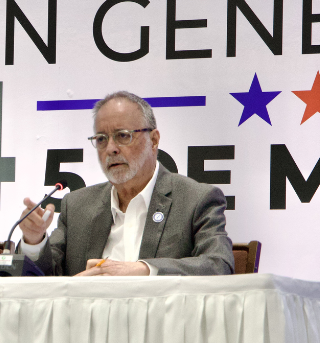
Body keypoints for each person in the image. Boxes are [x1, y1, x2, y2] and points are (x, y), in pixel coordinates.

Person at [18, 91, 233, 276]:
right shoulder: (76, 206)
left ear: (154, 140)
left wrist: (143, 270)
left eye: (123, 136)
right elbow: (46, 277)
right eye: (101, 139)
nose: (111, 148)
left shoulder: (195, 199)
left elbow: (218, 265)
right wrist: (34, 241)